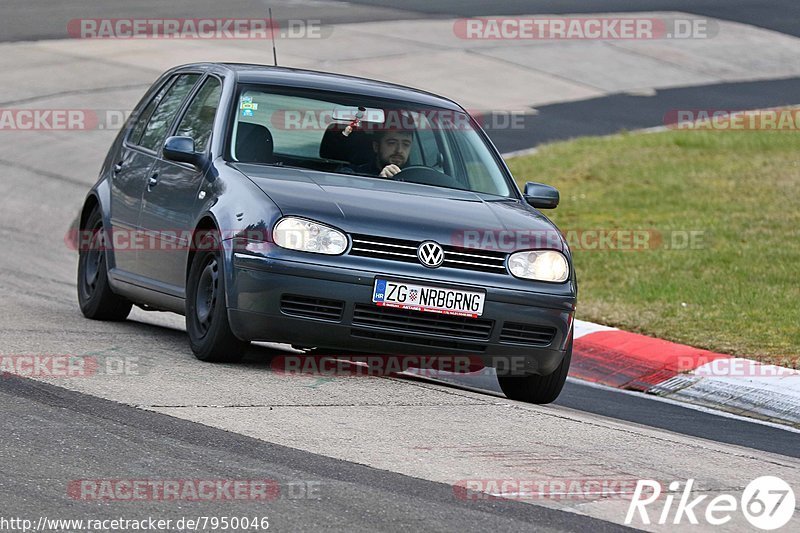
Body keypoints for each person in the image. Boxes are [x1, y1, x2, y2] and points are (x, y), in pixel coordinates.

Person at [348, 127, 413, 177]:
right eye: (392, 143)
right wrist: (380, 181)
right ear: (376, 146)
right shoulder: (353, 175)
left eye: (406, 144)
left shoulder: (417, 178)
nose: (399, 150)